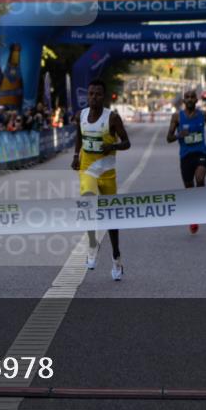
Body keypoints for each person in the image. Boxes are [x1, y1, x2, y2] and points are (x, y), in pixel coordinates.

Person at [71, 79, 131, 281]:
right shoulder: (80, 115)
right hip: (88, 168)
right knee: (87, 202)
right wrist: (74, 156)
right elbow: (79, 137)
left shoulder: (112, 118)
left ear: (103, 97)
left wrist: (112, 147)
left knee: (110, 216)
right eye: (90, 94)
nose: (93, 97)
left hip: (107, 172)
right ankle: (92, 244)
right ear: (87, 95)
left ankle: (116, 257)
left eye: (97, 94)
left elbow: (127, 143)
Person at [166, 89, 206, 235]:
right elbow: (168, 138)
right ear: (183, 101)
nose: (189, 99)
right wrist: (178, 135)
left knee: (200, 179)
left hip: (201, 152)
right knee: (189, 188)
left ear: (196, 100)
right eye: (186, 97)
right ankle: (193, 218)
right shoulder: (177, 117)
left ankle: (200, 206)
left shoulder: (203, 114)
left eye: (192, 97)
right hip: (185, 156)